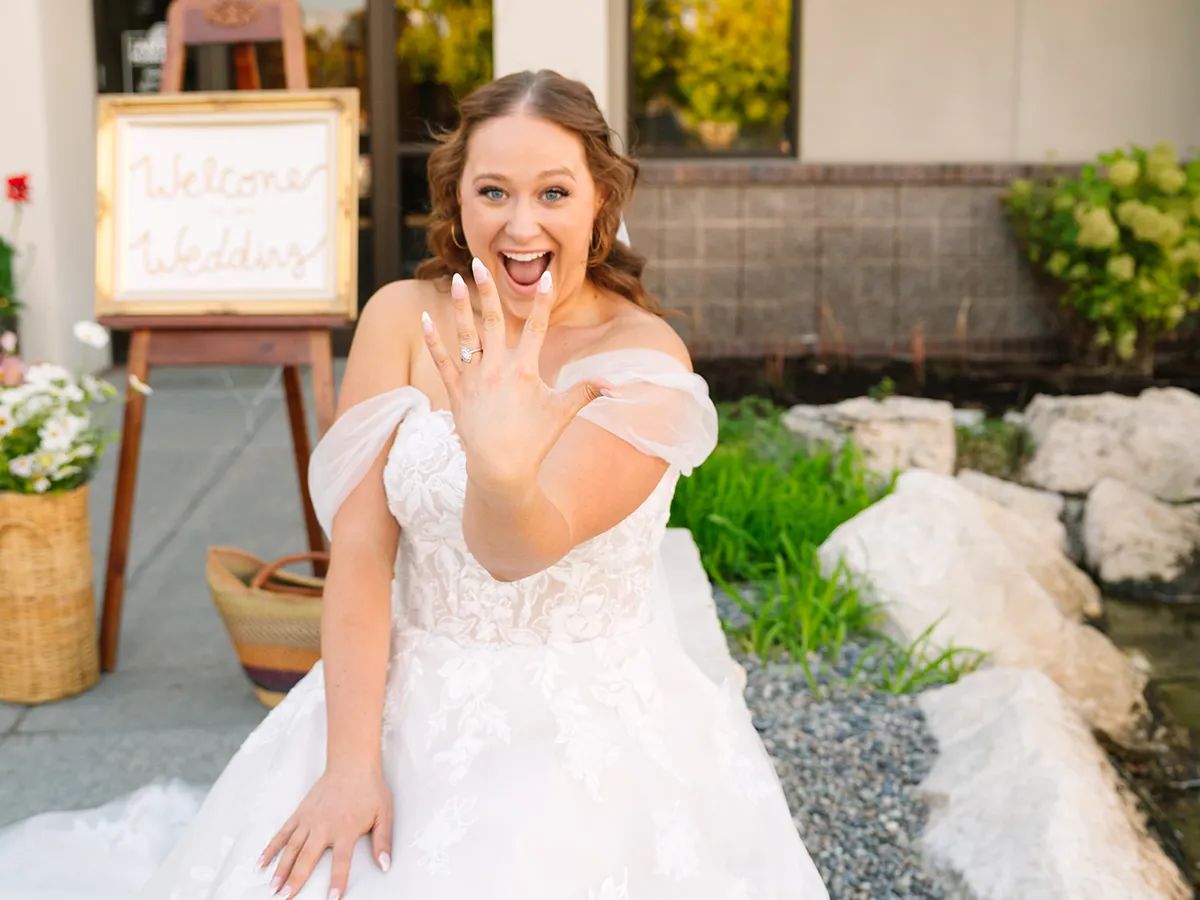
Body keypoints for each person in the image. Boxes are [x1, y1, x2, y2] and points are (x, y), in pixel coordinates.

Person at [0, 69, 829, 900]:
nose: (521, 223)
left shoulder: (644, 360)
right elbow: (359, 551)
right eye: (493, 190)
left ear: (601, 201)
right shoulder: (402, 318)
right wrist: (351, 766)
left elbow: (519, 550)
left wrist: (501, 462)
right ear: (457, 197)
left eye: (553, 192)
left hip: (582, 727)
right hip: (391, 695)